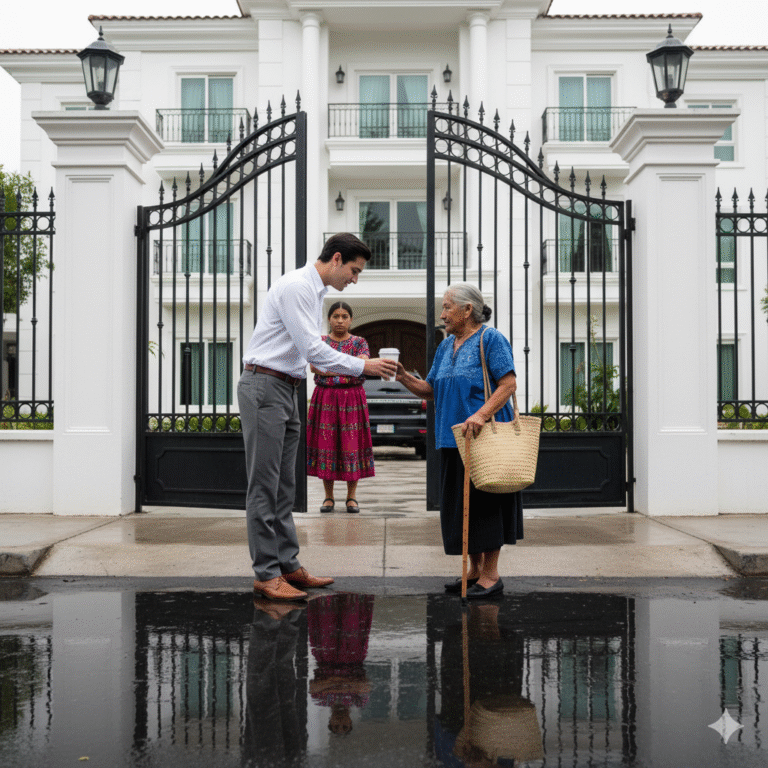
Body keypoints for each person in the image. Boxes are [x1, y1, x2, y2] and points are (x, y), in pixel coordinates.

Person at [238, 233, 398, 601]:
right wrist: (364, 365)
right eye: (354, 271)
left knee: (284, 487)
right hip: (265, 385)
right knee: (264, 485)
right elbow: (313, 349)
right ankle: (266, 574)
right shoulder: (298, 287)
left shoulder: (316, 292)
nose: (354, 280)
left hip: (286, 388)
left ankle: (287, 565)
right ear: (337, 258)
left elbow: (308, 351)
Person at [395, 283, 522, 599]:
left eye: (447, 307)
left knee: (486, 507)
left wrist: (481, 415)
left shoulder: (490, 339)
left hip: (484, 439)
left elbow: (508, 384)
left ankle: (491, 575)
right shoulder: (445, 347)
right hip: (452, 439)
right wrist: (403, 376)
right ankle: (474, 571)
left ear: (467, 310)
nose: (442, 314)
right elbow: (430, 390)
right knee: (463, 508)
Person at [307, 301, 374, 515]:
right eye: (336, 316)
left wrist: (331, 367)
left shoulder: (359, 342)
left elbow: (362, 366)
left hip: (352, 398)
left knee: (351, 445)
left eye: (345, 316)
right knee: (326, 445)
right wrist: (349, 366)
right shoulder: (320, 342)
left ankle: (351, 497)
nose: (340, 320)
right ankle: (328, 497)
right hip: (325, 397)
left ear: (351, 320)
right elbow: (315, 367)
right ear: (329, 319)